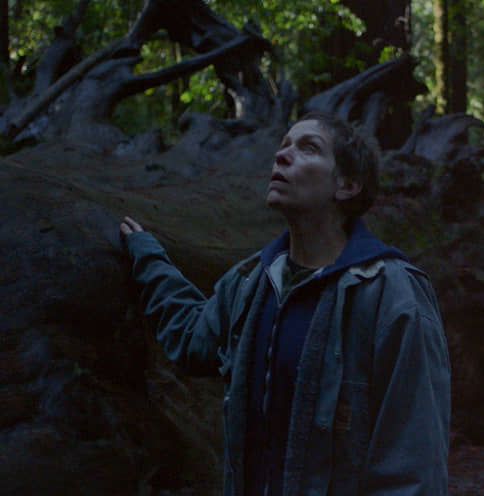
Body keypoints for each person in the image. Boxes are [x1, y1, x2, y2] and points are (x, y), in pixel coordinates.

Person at [120, 111, 450, 496]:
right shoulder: (253, 282)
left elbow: (415, 466)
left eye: (308, 148)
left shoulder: (392, 294)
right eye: (283, 146)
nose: (282, 155)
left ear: (347, 185)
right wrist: (148, 258)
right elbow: (192, 338)